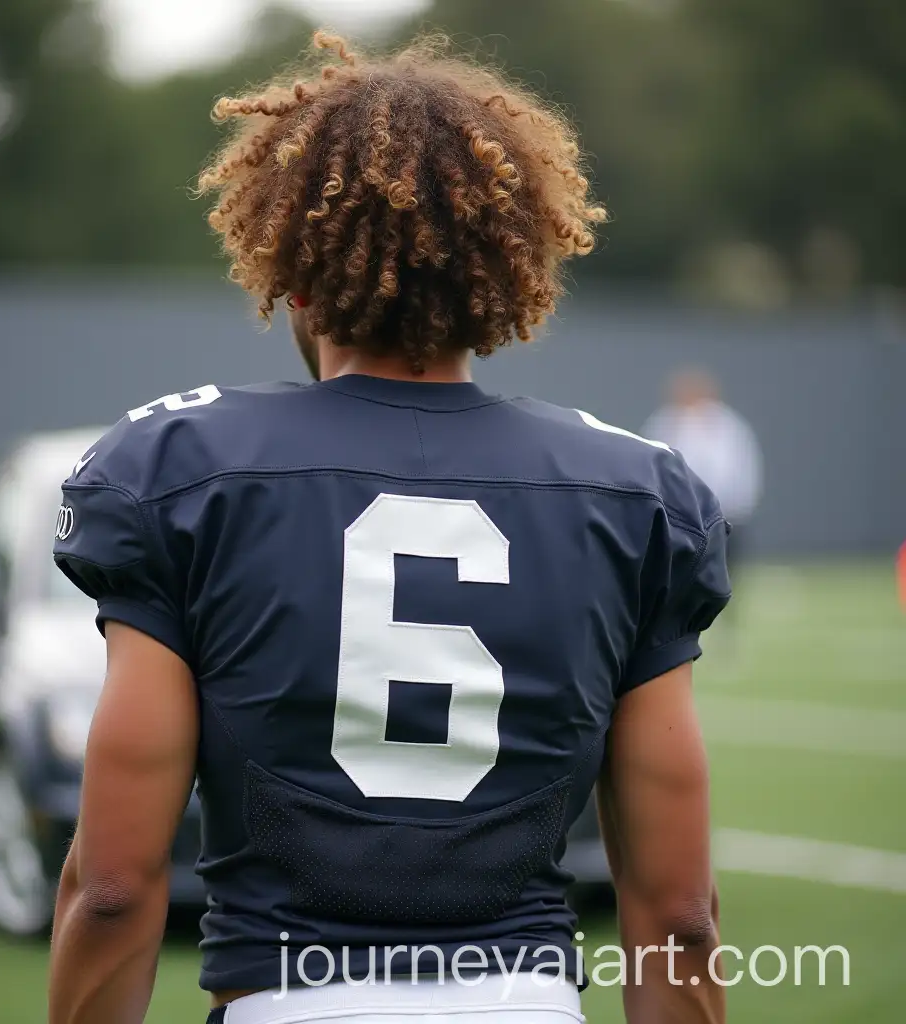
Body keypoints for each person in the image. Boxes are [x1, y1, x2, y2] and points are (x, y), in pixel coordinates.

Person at [48, 32, 731, 1024]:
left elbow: (112, 887)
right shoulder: (633, 493)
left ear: (292, 265)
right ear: (503, 269)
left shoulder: (182, 470)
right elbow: (680, 915)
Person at [642, 369, 762, 578]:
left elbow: (740, 467)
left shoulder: (728, 426)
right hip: (679, 513)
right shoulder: (665, 423)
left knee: (724, 570)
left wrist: (740, 506)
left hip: (724, 513)